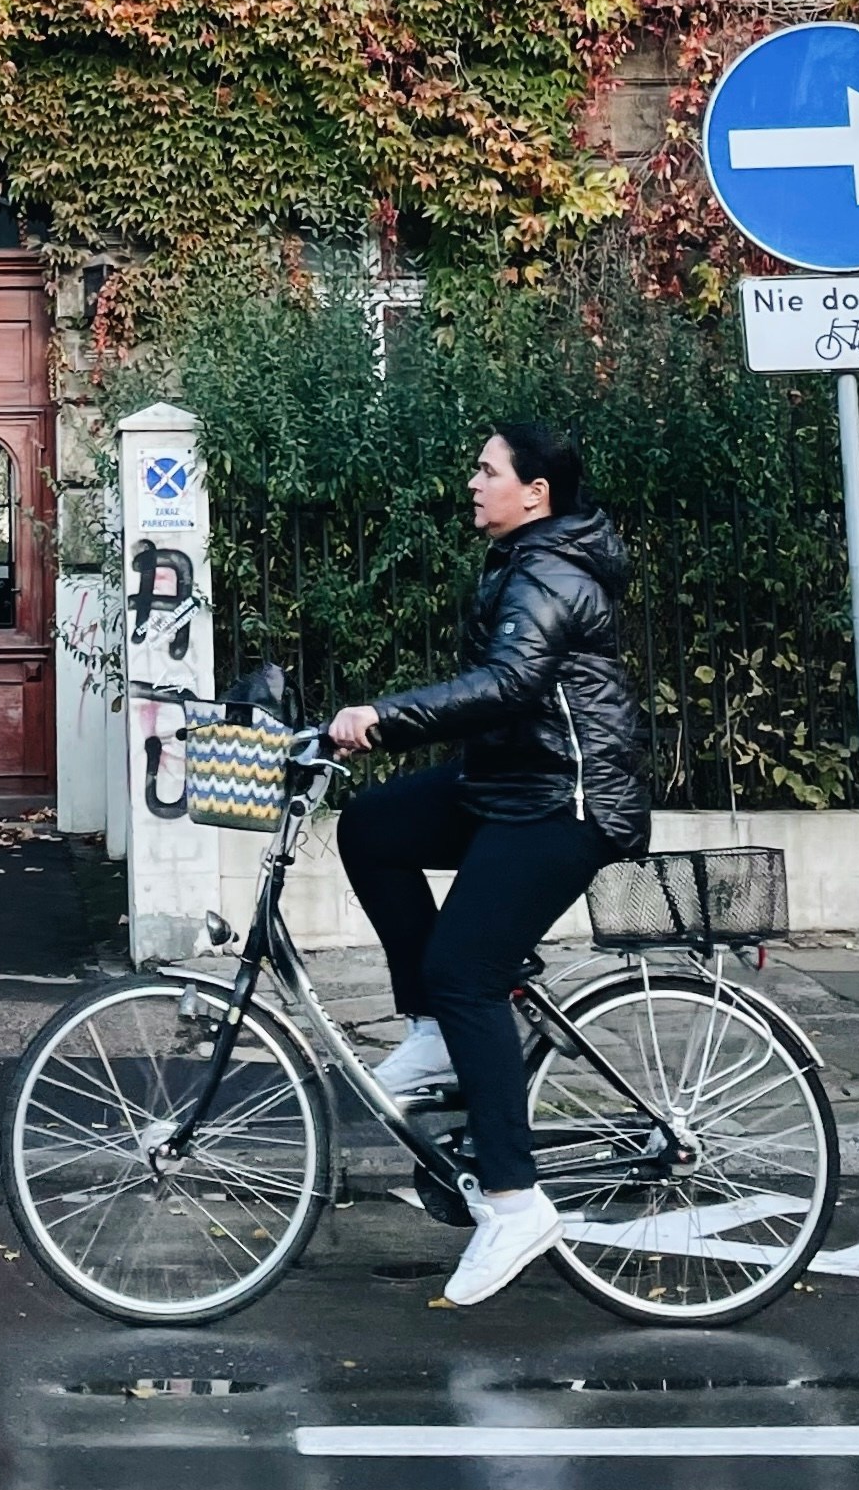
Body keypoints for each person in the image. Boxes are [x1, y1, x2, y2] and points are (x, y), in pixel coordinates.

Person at [326, 421, 649, 1308]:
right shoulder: (524, 560)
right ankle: (435, 1033)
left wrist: (381, 717)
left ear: (535, 492)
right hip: (507, 784)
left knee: (466, 969)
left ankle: (513, 1199)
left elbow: (508, 684)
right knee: (371, 826)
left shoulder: (550, 570)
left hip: (564, 805)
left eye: (487, 469)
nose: (472, 482)